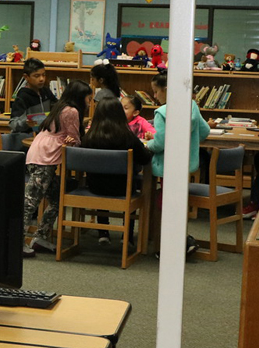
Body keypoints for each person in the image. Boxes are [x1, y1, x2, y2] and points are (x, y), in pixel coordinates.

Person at [21, 80, 93, 257]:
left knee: (56, 199)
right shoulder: (72, 111)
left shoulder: (61, 107)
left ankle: (40, 237)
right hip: (44, 158)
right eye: (88, 98)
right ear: (80, 97)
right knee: (31, 202)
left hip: (40, 154)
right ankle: (17, 240)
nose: (89, 102)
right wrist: (75, 139)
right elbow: (75, 139)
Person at [145, 72, 211, 256]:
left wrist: (148, 143)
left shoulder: (163, 112)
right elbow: (205, 131)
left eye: (156, 92)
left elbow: (159, 143)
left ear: (166, 90)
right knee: (176, 202)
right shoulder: (192, 106)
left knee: (165, 203)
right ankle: (182, 240)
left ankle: (167, 245)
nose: (155, 96)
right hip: (185, 165)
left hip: (167, 165)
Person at [83, 97, 152, 245]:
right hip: (123, 189)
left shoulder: (89, 137)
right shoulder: (128, 138)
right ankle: (127, 235)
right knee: (131, 182)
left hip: (94, 187)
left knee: (102, 177)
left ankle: (103, 232)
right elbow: (145, 159)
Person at [11, 57, 57, 131]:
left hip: (44, 134)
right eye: (37, 76)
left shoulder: (46, 91)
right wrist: (25, 123)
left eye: (43, 75)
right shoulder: (23, 96)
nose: (41, 79)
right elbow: (13, 123)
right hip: (27, 137)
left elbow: (57, 106)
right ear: (26, 77)